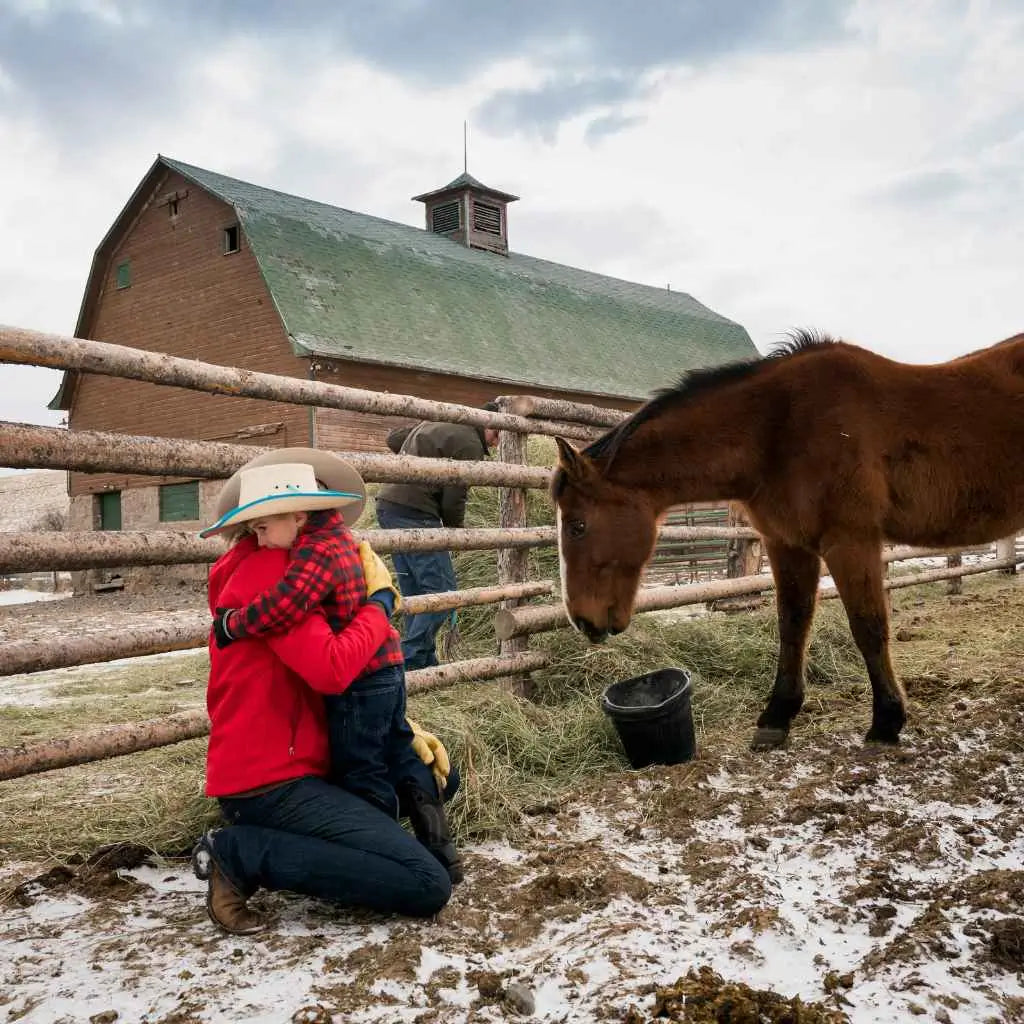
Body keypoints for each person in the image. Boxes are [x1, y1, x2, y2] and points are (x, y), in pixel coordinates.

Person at [198, 448, 462, 884]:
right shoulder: (281, 565)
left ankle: (386, 835)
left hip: (305, 746)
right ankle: (242, 851)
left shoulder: (297, 558)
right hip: (274, 774)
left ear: (295, 516)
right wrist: (381, 603)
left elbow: (327, 661)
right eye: (256, 530)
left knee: (420, 773)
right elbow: (333, 669)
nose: (261, 539)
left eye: (263, 527)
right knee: (420, 871)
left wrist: (390, 721)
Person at [376, 402, 501, 669]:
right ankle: (407, 660)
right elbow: (455, 495)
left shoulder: (445, 422)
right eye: (497, 434)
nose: (496, 443)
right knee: (443, 592)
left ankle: (423, 662)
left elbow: (394, 438)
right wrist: (455, 531)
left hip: (388, 505)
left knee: (416, 592)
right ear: (488, 424)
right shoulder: (470, 442)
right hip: (416, 512)